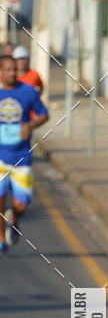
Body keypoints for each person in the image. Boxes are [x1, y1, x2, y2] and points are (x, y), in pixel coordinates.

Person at [0, 55, 48, 254]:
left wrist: (30, 125)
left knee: (22, 204)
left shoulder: (28, 91)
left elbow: (44, 114)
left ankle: (14, 217)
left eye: (15, 69)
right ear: (1, 72)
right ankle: (1, 239)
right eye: (8, 69)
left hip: (22, 157)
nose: (13, 73)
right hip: (0, 157)